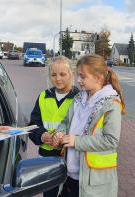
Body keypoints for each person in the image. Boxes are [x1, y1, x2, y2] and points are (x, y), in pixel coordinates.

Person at [52, 54, 125, 197]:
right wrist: (59, 133)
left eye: (83, 76)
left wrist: (76, 141)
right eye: (78, 76)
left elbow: (111, 140)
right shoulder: (79, 98)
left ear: (98, 77)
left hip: (93, 181)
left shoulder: (111, 104)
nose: (78, 80)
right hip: (69, 174)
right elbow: (66, 122)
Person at [28, 56, 79, 197]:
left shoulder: (79, 98)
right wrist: (42, 135)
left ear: (71, 74)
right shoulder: (43, 96)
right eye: (53, 75)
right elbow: (32, 125)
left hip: (71, 157)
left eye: (63, 74)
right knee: (49, 193)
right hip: (47, 156)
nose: (58, 79)